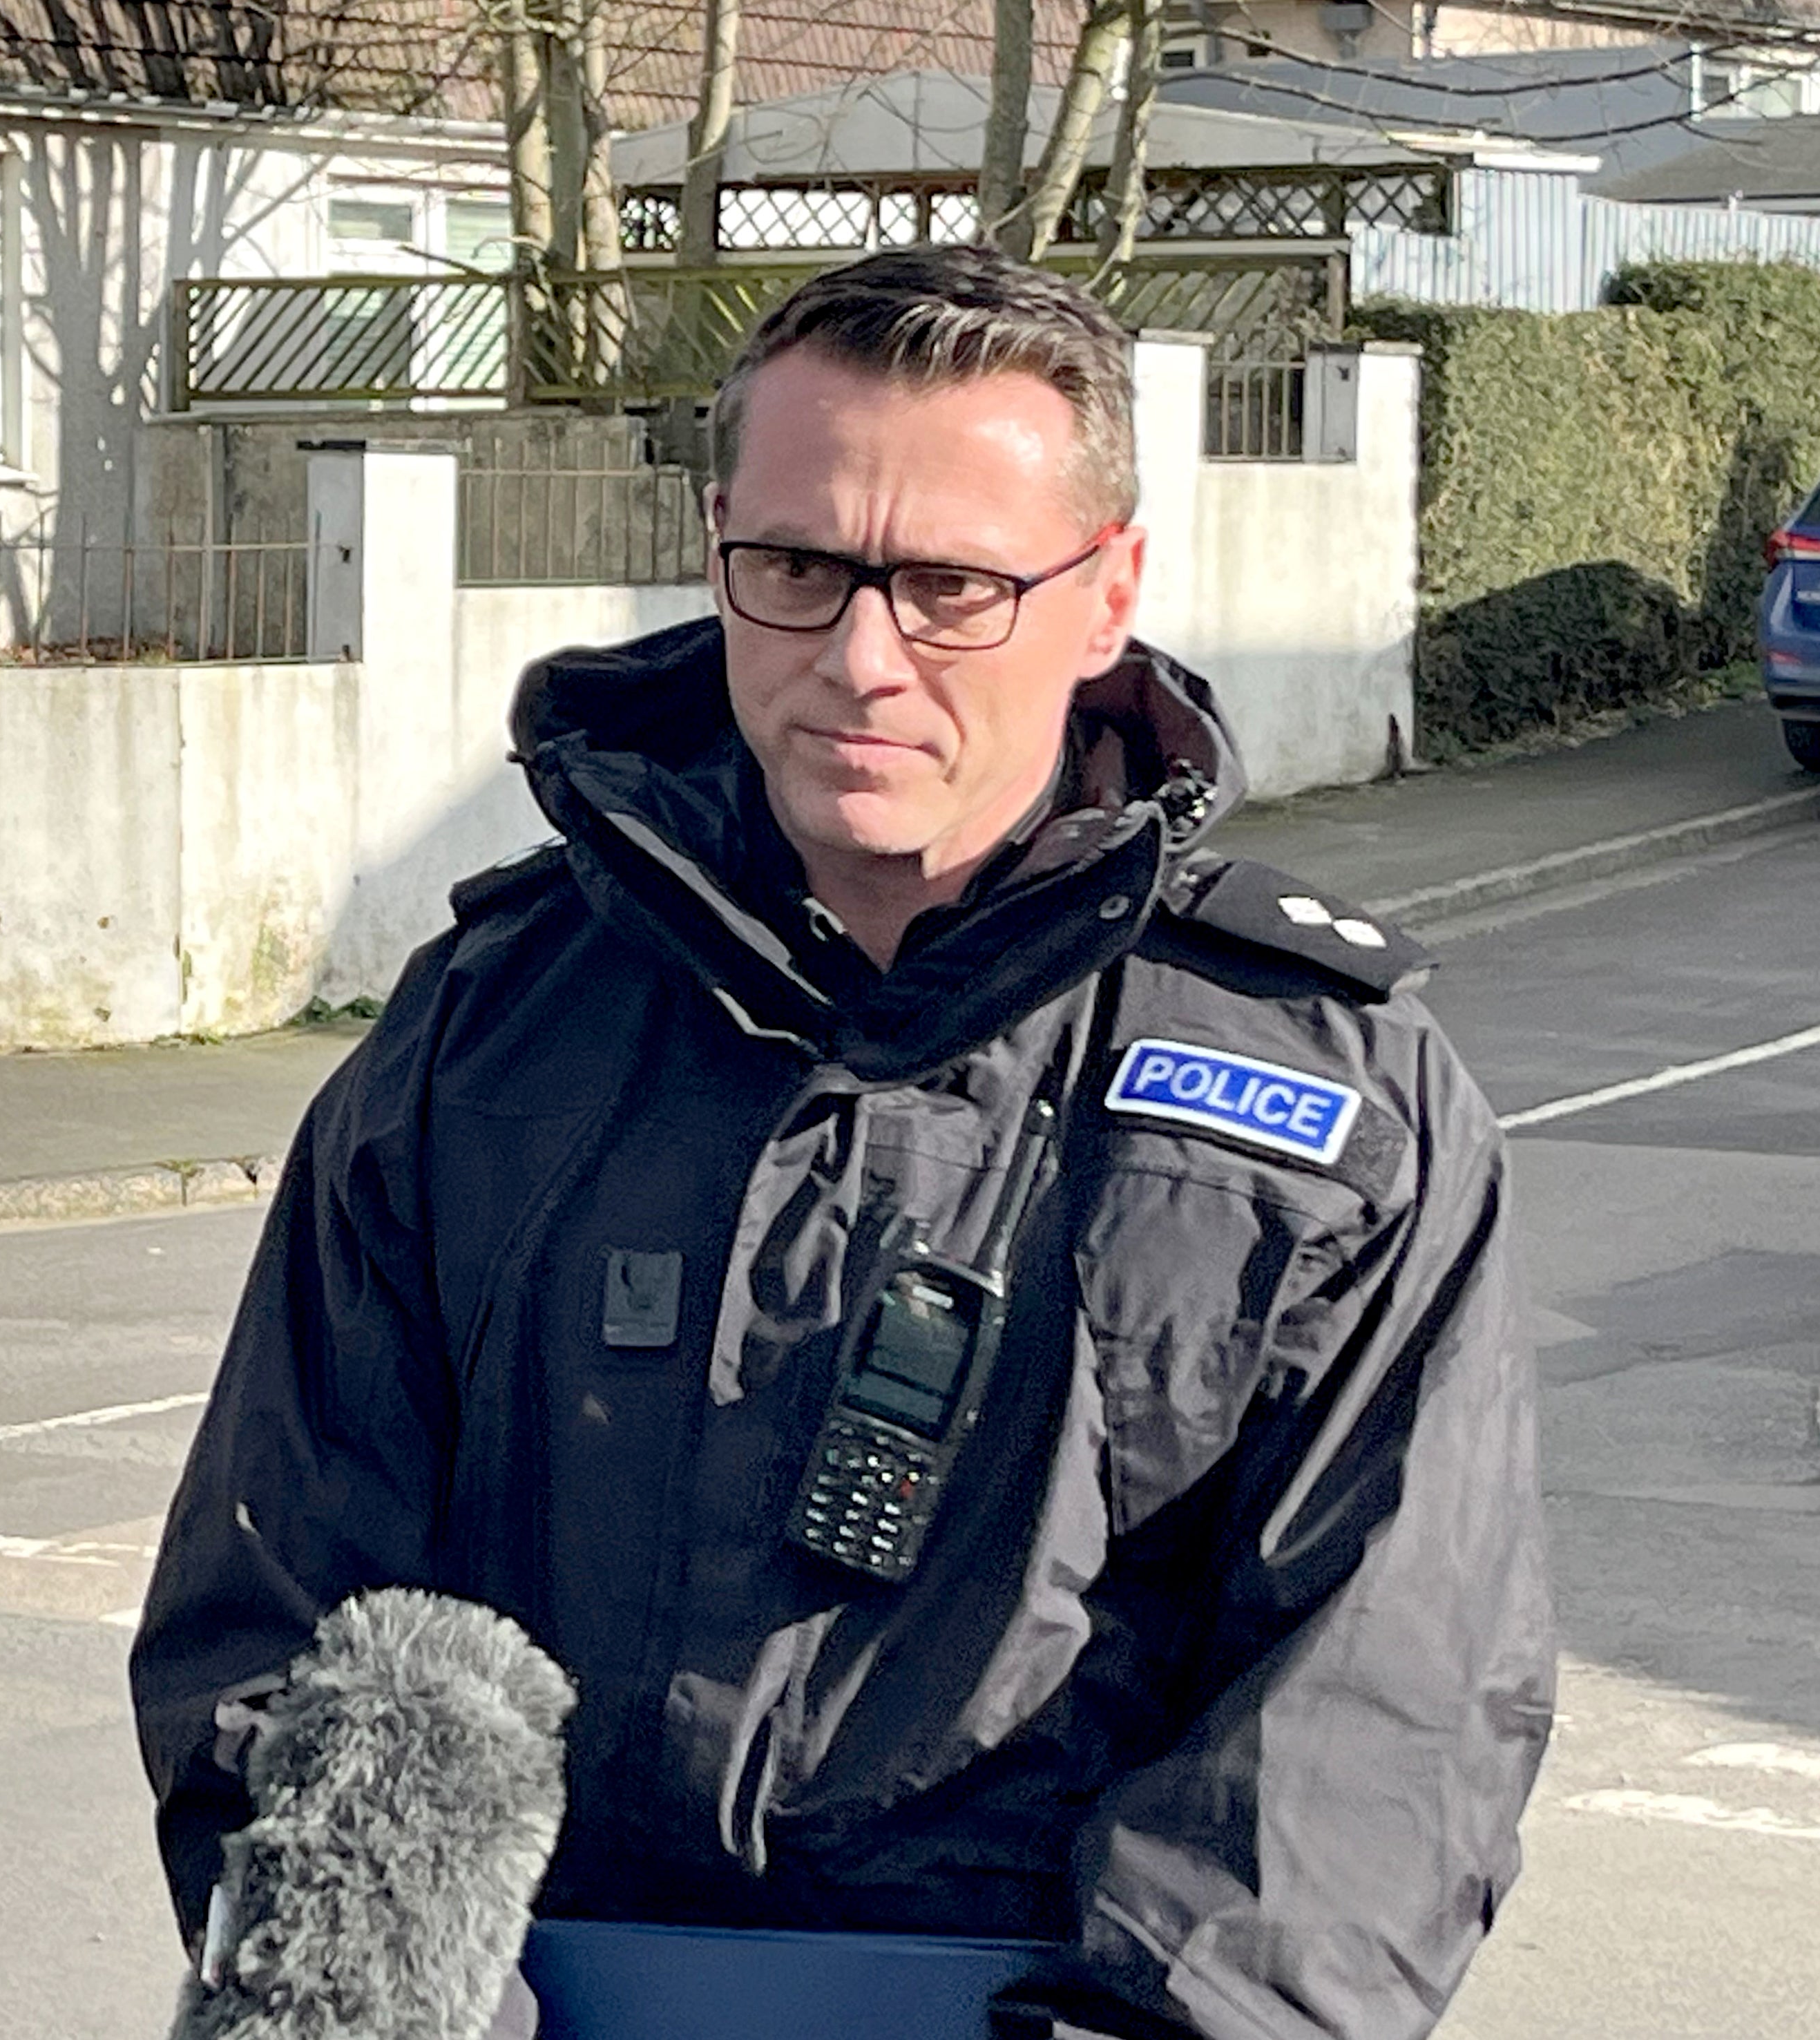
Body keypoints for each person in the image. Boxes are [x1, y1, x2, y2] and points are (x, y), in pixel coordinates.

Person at [130, 245, 1554, 2040]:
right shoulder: (481, 1035)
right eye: (794, 568)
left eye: (951, 584)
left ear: (1103, 594)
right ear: (719, 544)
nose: (857, 658)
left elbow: (1384, 1715)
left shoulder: (1333, 1101)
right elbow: (271, 1608)